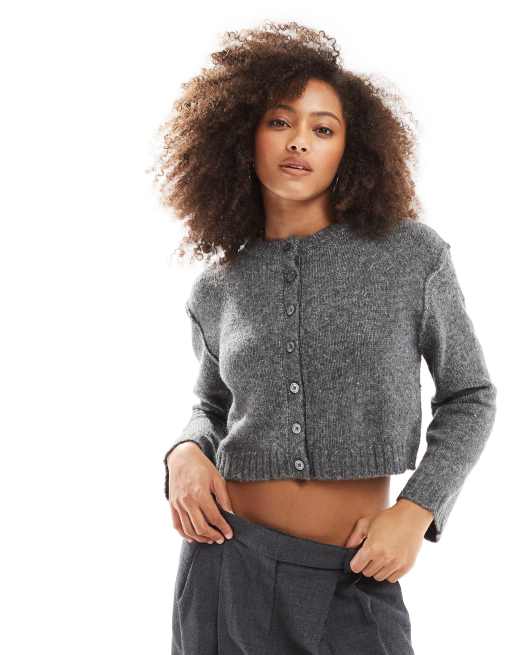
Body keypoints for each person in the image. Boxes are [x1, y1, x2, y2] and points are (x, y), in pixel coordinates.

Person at [153, 21, 497, 655]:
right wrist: (182, 453)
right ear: (243, 136)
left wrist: (417, 509)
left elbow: (471, 395)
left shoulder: (409, 256)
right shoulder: (216, 287)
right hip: (225, 566)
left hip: (352, 575)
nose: (299, 142)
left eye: (323, 128)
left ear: (351, 148)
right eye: (279, 122)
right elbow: (212, 407)